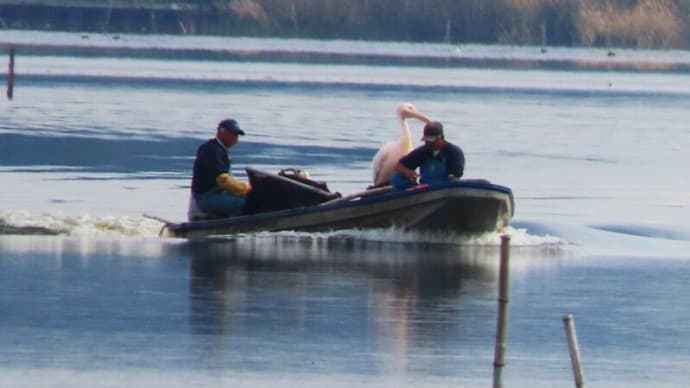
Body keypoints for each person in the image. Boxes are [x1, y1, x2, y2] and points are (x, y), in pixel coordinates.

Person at [188, 118, 251, 220]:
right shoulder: (213, 151)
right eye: (233, 134)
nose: (236, 138)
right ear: (222, 132)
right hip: (206, 198)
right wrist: (247, 190)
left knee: (245, 198)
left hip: (212, 195)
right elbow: (223, 180)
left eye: (237, 135)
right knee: (246, 202)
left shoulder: (216, 148)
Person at [390, 121, 465, 191]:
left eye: (432, 141)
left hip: (445, 187)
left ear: (441, 138)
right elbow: (399, 165)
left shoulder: (454, 152)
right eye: (426, 141)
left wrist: (453, 177)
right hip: (425, 188)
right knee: (396, 177)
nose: (429, 143)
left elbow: (456, 174)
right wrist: (408, 172)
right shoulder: (423, 151)